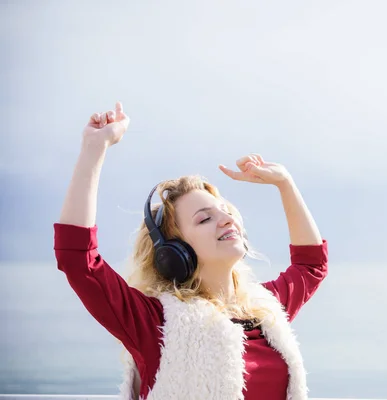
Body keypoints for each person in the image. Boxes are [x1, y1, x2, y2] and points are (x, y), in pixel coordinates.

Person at [53, 102, 328, 400]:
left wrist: (284, 183)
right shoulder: (156, 323)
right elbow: (78, 259)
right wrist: (94, 148)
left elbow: (311, 265)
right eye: (204, 218)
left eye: (226, 211)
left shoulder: (267, 309)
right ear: (174, 251)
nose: (226, 219)